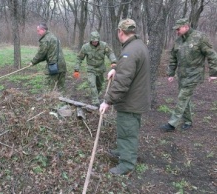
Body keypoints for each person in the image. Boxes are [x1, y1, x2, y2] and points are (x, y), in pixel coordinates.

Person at [99, 19, 151, 175]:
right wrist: (116, 70)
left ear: (120, 31)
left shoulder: (130, 51)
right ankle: (123, 150)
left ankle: (127, 165)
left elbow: (122, 82)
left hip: (131, 101)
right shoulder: (138, 45)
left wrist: (107, 100)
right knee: (128, 130)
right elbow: (128, 71)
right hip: (137, 98)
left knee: (127, 132)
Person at [160, 18, 217, 132]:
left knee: (182, 97)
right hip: (182, 75)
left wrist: (213, 72)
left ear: (186, 26)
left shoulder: (200, 37)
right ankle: (188, 121)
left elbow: (211, 55)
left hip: (194, 74)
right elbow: (173, 59)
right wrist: (171, 73)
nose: (177, 31)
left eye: (178, 29)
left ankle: (172, 124)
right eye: (176, 29)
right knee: (185, 98)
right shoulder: (178, 41)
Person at [73, 31, 117, 106]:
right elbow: (79, 58)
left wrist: (113, 61)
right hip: (91, 69)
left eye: (96, 41)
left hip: (100, 68)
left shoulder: (104, 45)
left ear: (98, 40)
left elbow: (110, 53)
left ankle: (95, 95)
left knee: (99, 85)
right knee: (92, 84)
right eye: (93, 41)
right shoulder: (85, 47)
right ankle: (95, 101)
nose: (95, 43)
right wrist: (76, 69)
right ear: (90, 40)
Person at [29, 23, 67, 91]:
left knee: (49, 87)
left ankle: (50, 100)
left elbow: (41, 54)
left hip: (54, 66)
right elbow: (47, 53)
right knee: (61, 87)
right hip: (62, 65)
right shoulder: (53, 37)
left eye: (38, 31)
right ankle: (62, 100)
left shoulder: (45, 40)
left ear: (43, 30)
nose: (38, 33)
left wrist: (33, 62)